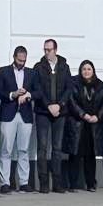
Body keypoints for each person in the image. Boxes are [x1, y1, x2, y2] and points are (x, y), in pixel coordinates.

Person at [31, 39, 72, 194]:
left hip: (60, 112)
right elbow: (37, 88)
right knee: (42, 147)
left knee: (57, 147)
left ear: (56, 50)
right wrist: (48, 105)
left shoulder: (64, 66)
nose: (47, 52)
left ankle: (57, 182)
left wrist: (59, 104)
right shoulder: (39, 67)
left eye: (49, 49)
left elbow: (69, 88)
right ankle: (43, 182)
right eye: (45, 49)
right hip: (43, 111)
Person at [0, 46, 37, 193]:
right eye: (19, 60)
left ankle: (24, 182)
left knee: (24, 149)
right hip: (8, 113)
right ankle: (4, 182)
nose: (21, 63)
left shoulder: (31, 73)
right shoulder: (3, 71)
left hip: (25, 115)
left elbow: (38, 91)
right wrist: (12, 94)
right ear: (14, 57)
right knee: (6, 149)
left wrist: (28, 95)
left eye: (24, 60)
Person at [69, 59, 103, 192]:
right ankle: (72, 183)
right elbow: (72, 101)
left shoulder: (100, 85)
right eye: (84, 69)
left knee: (90, 155)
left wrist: (97, 116)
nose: (86, 71)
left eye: (89, 69)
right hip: (78, 124)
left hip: (93, 125)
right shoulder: (75, 83)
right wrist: (83, 114)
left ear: (93, 71)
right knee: (75, 154)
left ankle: (91, 183)